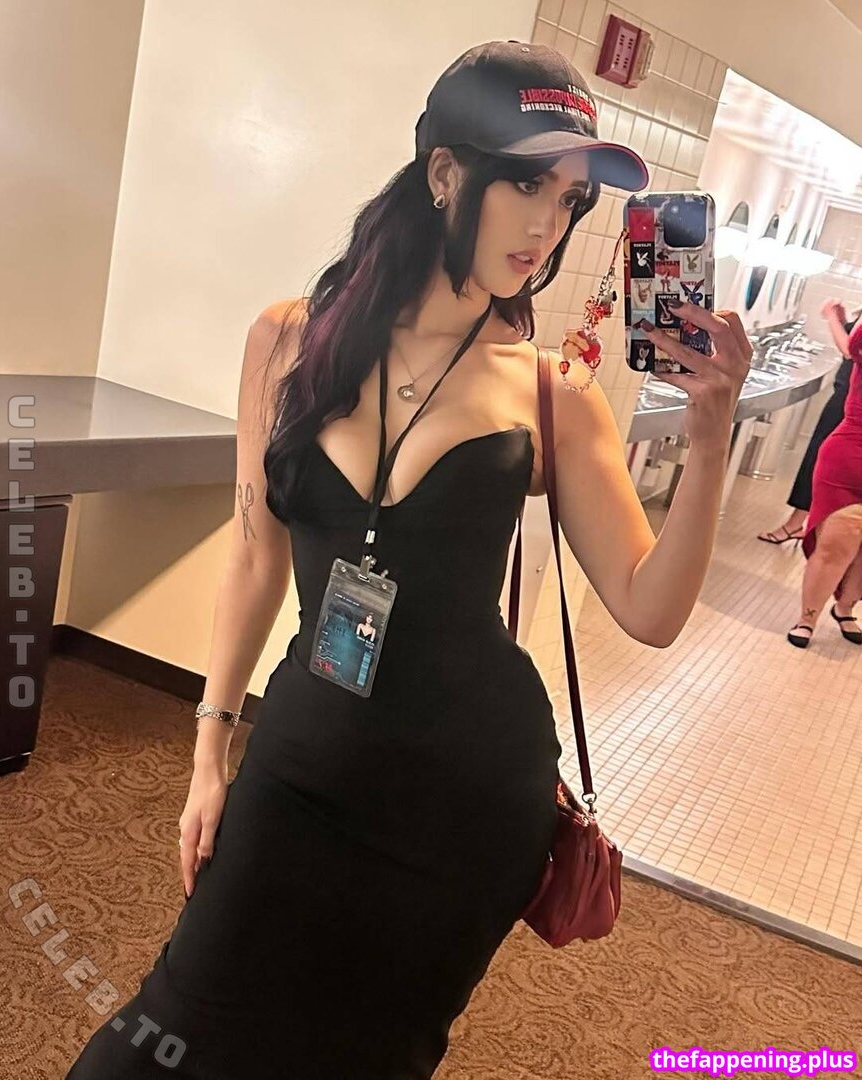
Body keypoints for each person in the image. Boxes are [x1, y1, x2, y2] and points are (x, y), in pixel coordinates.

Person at [65, 40, 750, 1079]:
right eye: (527, 183)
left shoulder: (550, 394)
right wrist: (209, 749)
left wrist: (707, 438)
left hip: (467, 804)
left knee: (365, 1057)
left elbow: (649, 610)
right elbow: (254, 557)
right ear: (443, 172)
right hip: (306, 756)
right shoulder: (286, 342)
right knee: (162, 1041)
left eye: (570, 199)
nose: (548, 225)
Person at [788, 300, 862, 647]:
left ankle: (846, 607)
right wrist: (834, 317)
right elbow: (852, 347)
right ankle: (808, 618)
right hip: (853, 451)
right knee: (838, 541)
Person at [757, 299, 860, 546]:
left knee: (820, 456)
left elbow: (851, 350)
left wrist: (831, 318)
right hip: (849, 393)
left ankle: (798, 523)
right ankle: (812, 524)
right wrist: (844, 322)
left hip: (852, 401)